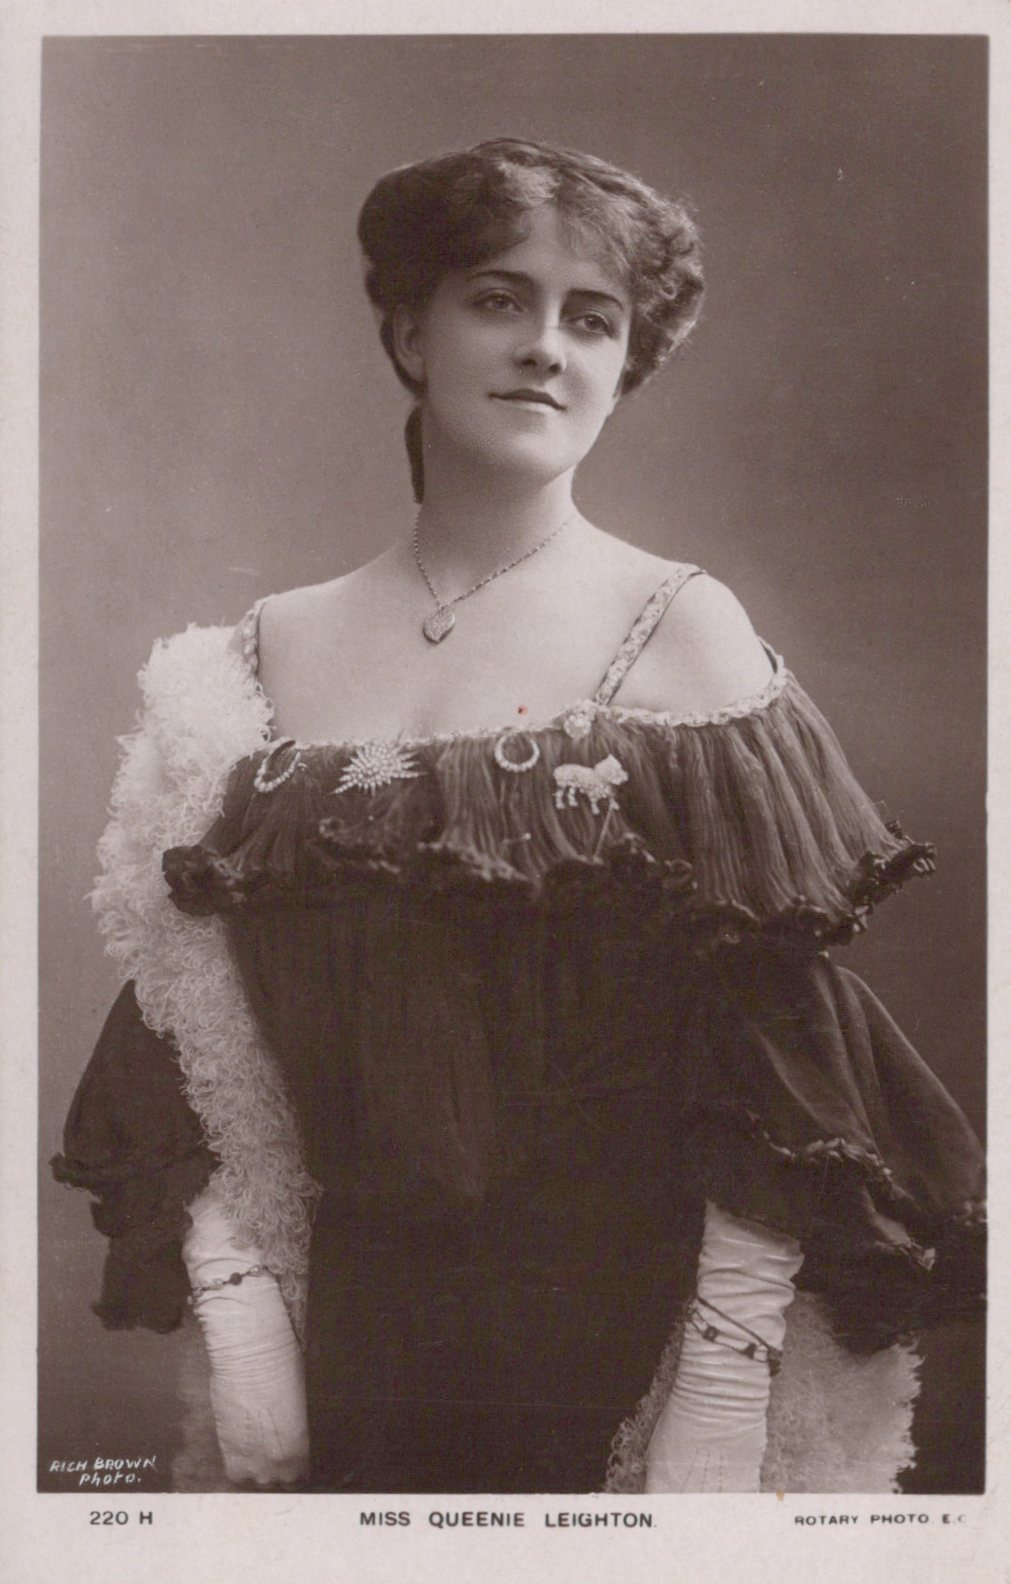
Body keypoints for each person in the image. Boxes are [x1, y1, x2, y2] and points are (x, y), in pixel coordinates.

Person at [52, 138, 985, 1495]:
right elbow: (191, 1005)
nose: (546, 345)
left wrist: (720, 1377)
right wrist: (241, 1295)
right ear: (408, 330)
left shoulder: (676, 631)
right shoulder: (262, 651)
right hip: (358, 1332)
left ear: (625, 365)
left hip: (622, 1326)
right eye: (499, 298)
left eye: (590, 318)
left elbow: (778, 1044)